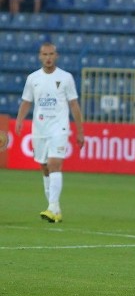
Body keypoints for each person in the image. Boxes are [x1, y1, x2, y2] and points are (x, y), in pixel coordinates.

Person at [14, 42, 85, 223]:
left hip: (59, 128)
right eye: (45, 54)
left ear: (57, 56)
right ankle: (56, 209)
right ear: (40, 56)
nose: (48, 58)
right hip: (39, 129)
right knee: (45, 168)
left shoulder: (66, 78)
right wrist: (20, 120)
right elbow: (26, 101)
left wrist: (80, 131)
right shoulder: (33, 78)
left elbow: (74, 104)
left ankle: (52, 207)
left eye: (51, 54)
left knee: (54, 164)